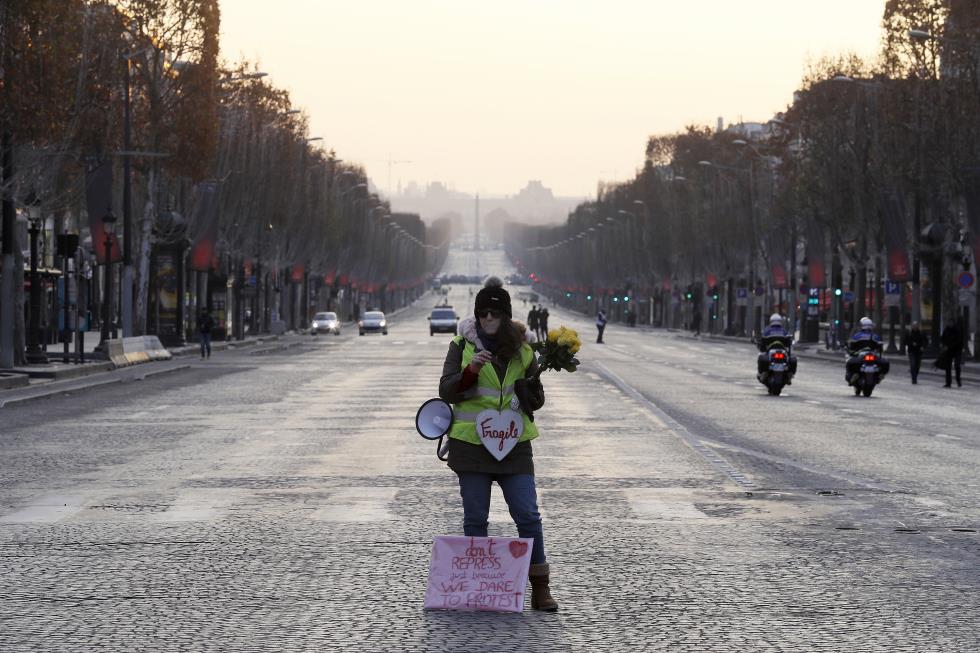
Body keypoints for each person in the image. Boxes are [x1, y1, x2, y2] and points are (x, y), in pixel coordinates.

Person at [438, 276, 557, 612]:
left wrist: (529, 394)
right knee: (476, 518)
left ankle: (540, 587)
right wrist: (471, 371)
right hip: (471, 446)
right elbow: (446, 390)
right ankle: (477, 587)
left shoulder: (524, 351)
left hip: (514, 445)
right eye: (483, 314)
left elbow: (537, 398)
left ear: (505, 317)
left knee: (529, 516)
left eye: (494, 314)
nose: (488, 319)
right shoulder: (461, 347)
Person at [757, 313, 797, 382]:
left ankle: (763, 373)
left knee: (761, 356)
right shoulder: (783, 331)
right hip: (782, 351)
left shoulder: (767, 330)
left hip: (773, 352)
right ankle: (789, 375)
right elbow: (789, 340)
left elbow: (762, 341)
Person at [846, 316, 887, 382]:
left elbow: (851, 346)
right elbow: (880, 347)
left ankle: (854, 374)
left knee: (850, 362)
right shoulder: (875, 336)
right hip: (873, 354)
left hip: (860, 354)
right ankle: (880, 374)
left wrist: (851, 350)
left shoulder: (857, 335)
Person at [939, 320, 964, 388]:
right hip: (948, 351)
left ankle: (958, 380)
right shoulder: (946, 330)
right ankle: (948, 382)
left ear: (953, 323)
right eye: (949, 323)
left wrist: (948, 346)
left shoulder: (957, 330)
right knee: (948, 367)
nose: (950, 324)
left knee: (957, 365)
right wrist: (943, 345)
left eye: (951, 323)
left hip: (957, 350)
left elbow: (959, 341)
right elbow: (942, 338)